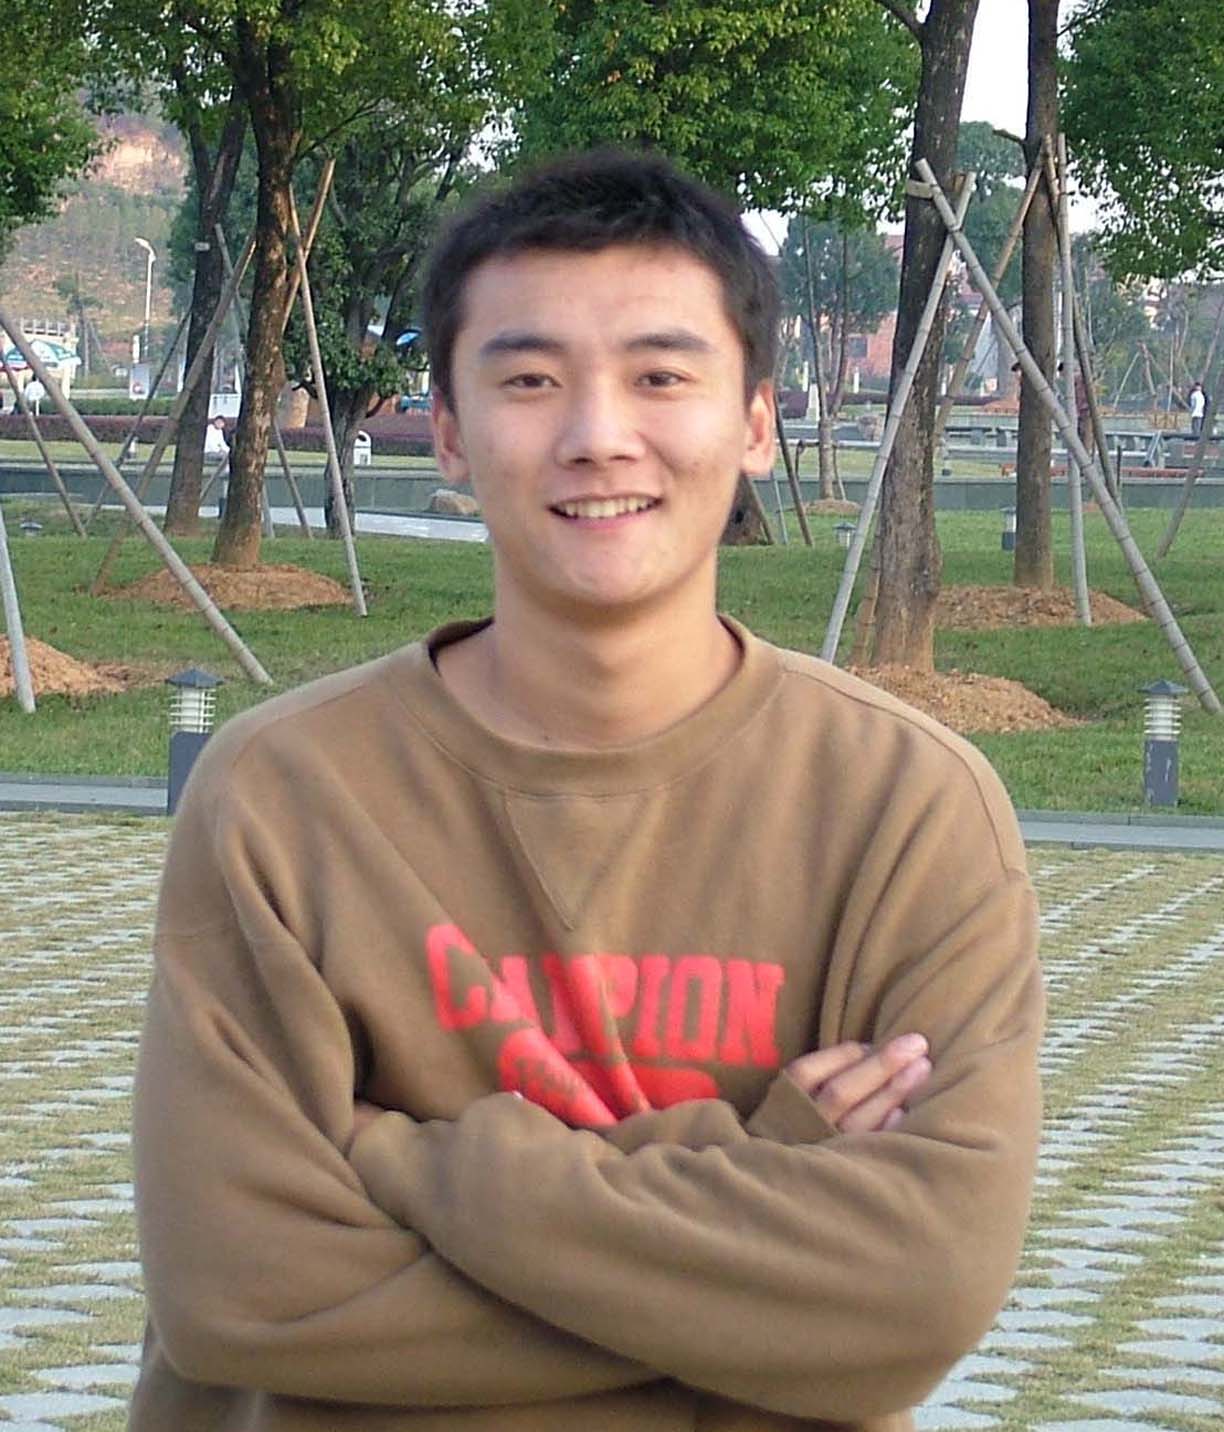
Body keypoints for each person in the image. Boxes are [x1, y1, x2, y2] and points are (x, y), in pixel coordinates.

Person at [130, 150, 1043, 1432]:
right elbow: (242, 1289)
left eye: (661, 376)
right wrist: (759, 1180)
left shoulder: (908, 808)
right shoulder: (281, 796)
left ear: (756, 423)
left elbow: (915, 1291)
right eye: (530, 380)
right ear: (451, 430)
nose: (597, 434)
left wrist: (406, 1161)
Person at [203, 414, 230, 516]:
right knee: (223, 456)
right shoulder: (209, 430)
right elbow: (210, 444)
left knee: (227, 455)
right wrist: (219, 451)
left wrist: (229, 450)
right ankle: (225, 470)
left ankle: (227, 468)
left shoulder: (220, 432)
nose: (220, 424)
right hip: (209, 452)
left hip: (218, 452)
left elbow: (222, 444)